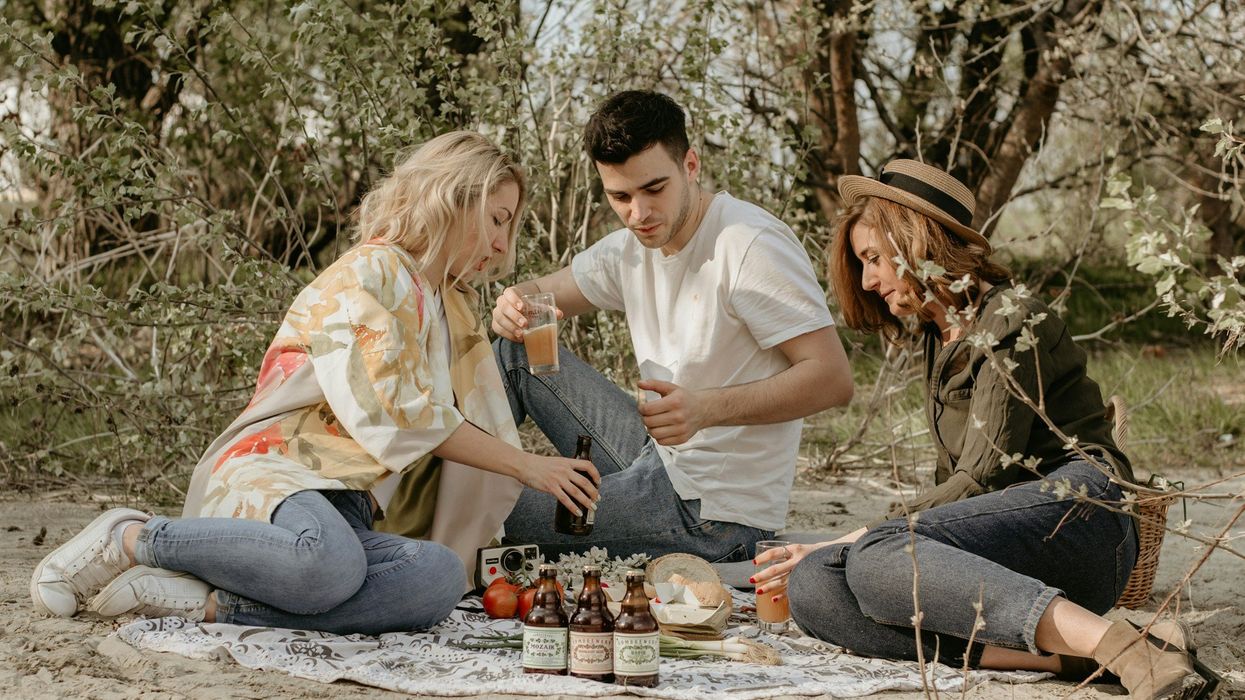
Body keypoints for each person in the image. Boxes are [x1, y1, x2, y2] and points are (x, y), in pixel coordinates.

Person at [30, 131, 600, 635]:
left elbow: (466, 421)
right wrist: (531, 466)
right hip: (276, 475)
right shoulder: (371, 271)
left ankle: (208, 605)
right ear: (451, 197)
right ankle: (134, 538)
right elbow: (398, 413)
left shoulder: (449, 305)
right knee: (328, 565)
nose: (503, 244)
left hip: (347, 505)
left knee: (438, 575)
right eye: (497, 219)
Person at [754, 160, 1215, 700]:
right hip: (1013, 549)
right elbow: (955, 497)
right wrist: (849, 551)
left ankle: (1123, 648)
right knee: (816, 588)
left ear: (916, 240)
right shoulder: (939, 335)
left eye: (874, 258)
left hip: (1086, 517)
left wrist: (854, 537)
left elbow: (980, 475)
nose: (868, 280)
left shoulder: (1011, 318)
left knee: (873, 551)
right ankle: (1085, 655)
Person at [490, 90, 853, 564]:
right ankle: (445, 480)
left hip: (713, 513)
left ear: (691, 166)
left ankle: (445, 514)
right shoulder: (629, 248)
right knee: (514, 351)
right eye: (620, 196)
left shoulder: (748, 245)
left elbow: (833, 379)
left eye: (654, 189)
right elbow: (538, 293)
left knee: (496, 517)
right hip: (652, 455)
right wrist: (511, 305)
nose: (638, 213)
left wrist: (707, 409)